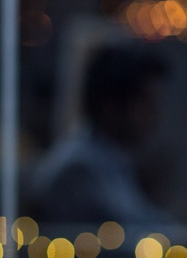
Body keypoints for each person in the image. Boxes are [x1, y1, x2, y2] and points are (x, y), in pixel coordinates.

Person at [28, 44, 178, 229]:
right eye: (146, 103)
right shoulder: (79, 169)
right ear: (110, 106)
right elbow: (130, 236)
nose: (156, 115)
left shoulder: (111, 159)